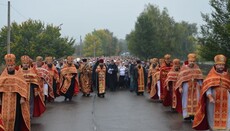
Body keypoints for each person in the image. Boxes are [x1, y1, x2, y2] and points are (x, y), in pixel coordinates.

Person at [193, 54, 230, 130]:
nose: (221, 66)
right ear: (215, 65)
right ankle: (213, 128)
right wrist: (210, 97)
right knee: (212, 114)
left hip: (226, 99)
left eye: (222, 65)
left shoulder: (227, 75)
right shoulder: (210, 76)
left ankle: (226, 128)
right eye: (219, 65)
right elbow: (207, 88)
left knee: (227, 114)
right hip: (213, 99)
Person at [0, 54, 30, 131]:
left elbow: (24, 86)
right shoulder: (3, 76)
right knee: (5, 117)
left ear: (14, 65)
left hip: (16, 99)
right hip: (4, 100)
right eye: (9, 65)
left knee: (16, 117)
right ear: (6, 65)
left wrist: (23, 97)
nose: (10, 67)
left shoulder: (19, 75)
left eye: (12, 65)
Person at [175, 53, 203, 121]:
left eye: (193, 61)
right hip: (186, 86)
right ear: (188, 60)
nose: (192, 63)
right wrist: (180, 87)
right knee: (185, 100)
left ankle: (194, 115)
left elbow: (200, 78)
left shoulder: (197, 68)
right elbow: (180, 78)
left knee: (196, 101)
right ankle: (186, 115)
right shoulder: (184, 68)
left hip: (196, 87)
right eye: (191, 61)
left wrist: (201, 86)